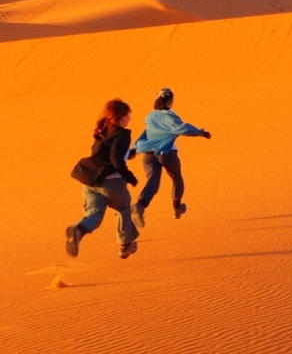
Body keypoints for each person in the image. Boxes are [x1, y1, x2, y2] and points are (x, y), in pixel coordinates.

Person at [68, 99, 141, 259]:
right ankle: (125, 245)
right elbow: (116, 158)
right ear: (121, 117)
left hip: (90, 181)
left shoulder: (103, 130)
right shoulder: (122, 135)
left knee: (95, 214)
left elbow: (105, 153)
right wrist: (130, 177)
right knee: (123, 210)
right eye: (128, 114)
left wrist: (130, 153)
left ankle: (79, 230)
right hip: (112, 183)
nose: (130, 118)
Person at [131, 87, 210, 226]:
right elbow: (181, 128)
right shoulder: (170, 115)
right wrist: (200, 132)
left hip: (148, 154)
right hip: (167, 153)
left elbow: (145, 133)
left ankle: (140, 205)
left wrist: (135, 147)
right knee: (176, 177)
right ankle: (177, 208)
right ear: (170, 102)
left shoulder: (150, 116)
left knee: (153, 182)